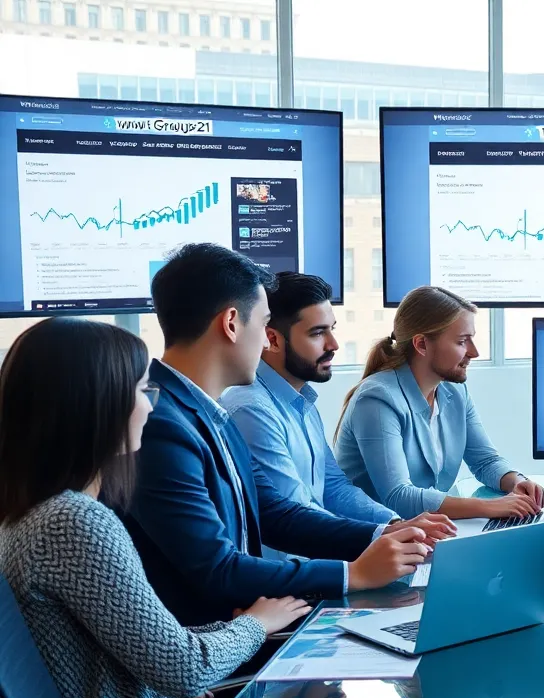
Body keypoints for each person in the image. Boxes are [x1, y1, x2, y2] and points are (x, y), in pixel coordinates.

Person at [0, 317, 312, 698]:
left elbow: (145, 646)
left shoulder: (33, 512)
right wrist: (258, 624)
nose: (150, 408)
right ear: (96, 404)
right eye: (143, 392)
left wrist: (213, 647)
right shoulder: (71, 521)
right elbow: (182, 666)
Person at [122, 243, 451, 629]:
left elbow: (275, 512)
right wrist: (353, 575)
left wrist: (385, 533)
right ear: (231, 323)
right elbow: (217, 568)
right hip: (213, 650)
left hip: (247, 624)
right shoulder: (160, 425)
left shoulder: (210, 412)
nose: (266, 342)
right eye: (263, 325)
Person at [222, 273, 421, 535]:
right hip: (293, 568)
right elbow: (294, 512)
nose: (334, 344)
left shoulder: (301, 400)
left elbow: (333, 487)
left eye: (332, 329)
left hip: (319, 559)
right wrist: (380, 535)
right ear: (272, 340)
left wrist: (394, 524)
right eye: (317, 333)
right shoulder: (251, 410)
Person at [336, 285, 544, 520]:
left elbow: (485, 461)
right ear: (422, 345)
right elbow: (398, 496)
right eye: (462, 341)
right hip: (374, 540)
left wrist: (516, 482)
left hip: (423, 531)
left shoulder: (454, 392)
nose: (474, 352)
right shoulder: (376, 400)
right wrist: (489, 507)